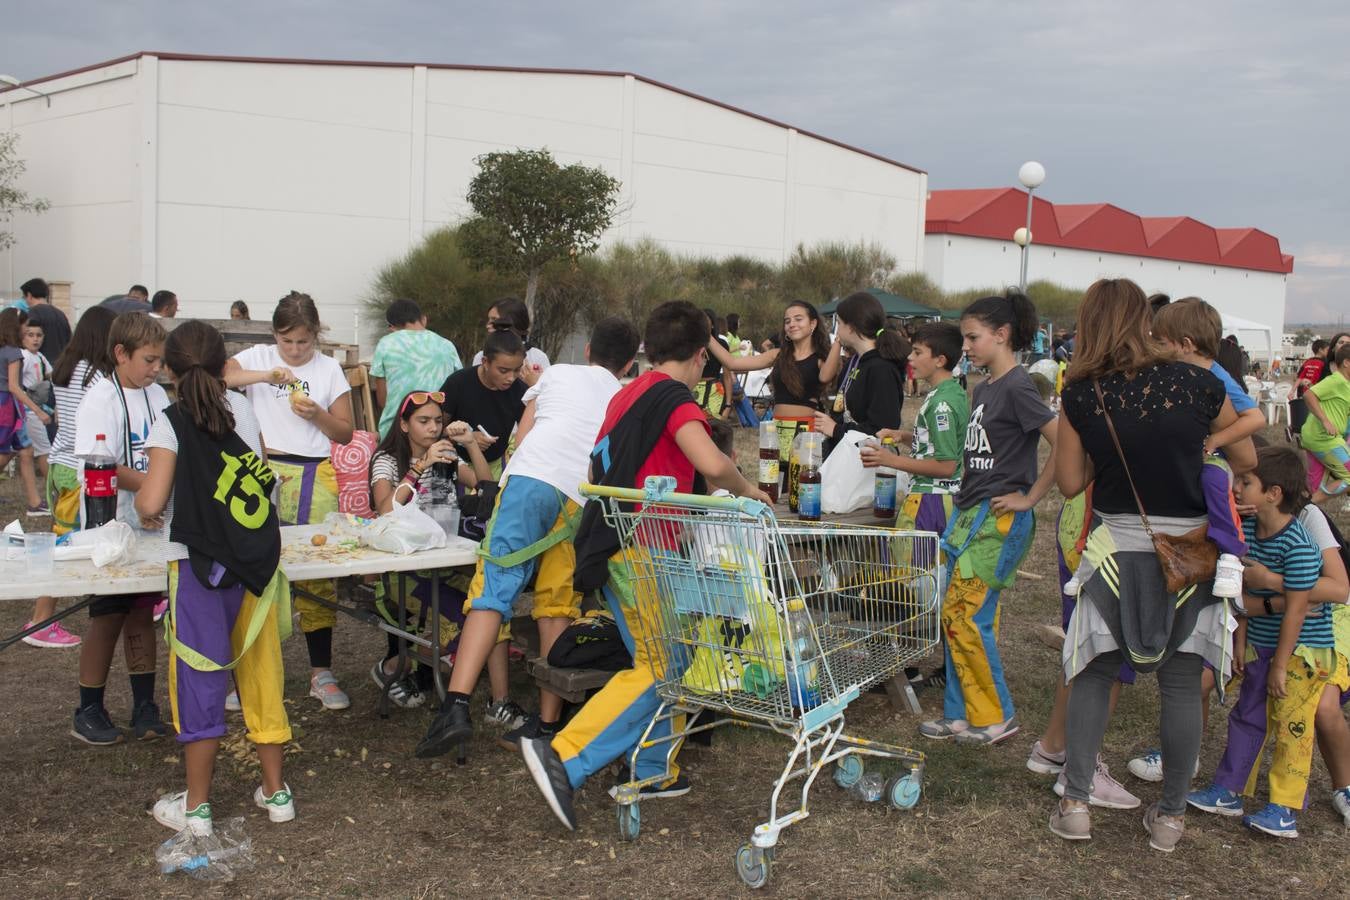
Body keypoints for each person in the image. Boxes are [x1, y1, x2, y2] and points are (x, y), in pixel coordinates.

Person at [518, 300, 770, 830]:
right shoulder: (674, 398)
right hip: (644, 550)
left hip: (616, 546)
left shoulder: (625, 392)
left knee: (666, 659)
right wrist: (749, 491)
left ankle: (655, 767)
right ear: (701, 355)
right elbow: (711, 461)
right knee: (663, 667)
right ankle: (563, 756)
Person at [1051, 277, 1254, 852]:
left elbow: (1070, 482)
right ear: (1144, 320)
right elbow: (1245, 455)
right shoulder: (1197, 383)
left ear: (1089, 325)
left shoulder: (1082, 394)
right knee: (1183, 686)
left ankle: (1076, 805)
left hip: (1116, 550)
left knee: (1092, 672)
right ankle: (1169, 820)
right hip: (1191, 556)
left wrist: (1109, 451)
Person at [417, 317, 641, 760]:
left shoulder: (557, 373)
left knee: (494, 589)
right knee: (557, 600)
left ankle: (456, 705)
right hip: (580, 499)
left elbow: (524, 437)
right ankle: (547, 723)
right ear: (630, 363)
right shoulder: (623, 395)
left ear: (587, 349)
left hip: (532, 480)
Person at [136, 320, 295, 835]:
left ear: (170, 370)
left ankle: (198, 806)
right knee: (262, 671)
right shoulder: (244, 412)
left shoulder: (170, 423)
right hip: (254, 563)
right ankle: (276, 793)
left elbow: (153, 501)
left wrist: (143, 504)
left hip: (199, 566)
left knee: (200, 677)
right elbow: (264, 482)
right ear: (224, 366)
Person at [917, 290, 1057, 747]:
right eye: (964, 338)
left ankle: (996, 715)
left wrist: (1030, 497)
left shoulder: (1018, 386)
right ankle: (960, 714)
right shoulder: (985, 387)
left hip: (997, 523)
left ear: (1002, 335)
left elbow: (1063, 442)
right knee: (956, 616)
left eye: (973, 338)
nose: (967, 347)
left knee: (968, 615)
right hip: (970, 517)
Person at [1186, 447, 1347, 839]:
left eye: (1245, 482)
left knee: (1293, 727)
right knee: (1247, 717)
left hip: (1301, 656)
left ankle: (1285, 808)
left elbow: (1295, 610)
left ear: (1273, 493)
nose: (1236, 489)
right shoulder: (1251, 536)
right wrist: (1241, 645)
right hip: (1262, 648)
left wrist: (1280, 664)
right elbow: (1240, 592)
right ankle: (1229, 790)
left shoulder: (1300, 545)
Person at [226, 292, 355, 710]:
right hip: (263, 470)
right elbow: (220, 378)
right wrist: (265, 377)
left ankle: (321, 672)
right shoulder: (258, 357)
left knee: (315, 572)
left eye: (303, 342)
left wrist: (317, 413)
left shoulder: (329, 368)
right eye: (287, 341)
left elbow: (345, 433)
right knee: (255, 569)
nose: (295, 350)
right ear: (275, 335)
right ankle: (249, 671)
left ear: (315, 336)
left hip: (315, 472)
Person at [1111, 298, 1265, 598]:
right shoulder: (1179, 376)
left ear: (1185, 344)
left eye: (1160, 341)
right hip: (1192, 461)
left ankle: (1230, 555)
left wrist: (1217, 440)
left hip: (1215, 459)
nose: (1154, 346)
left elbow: (1256, 418)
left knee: (1213, 481)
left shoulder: (1217, 378)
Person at [70, 312, 172, 745]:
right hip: (110, 523)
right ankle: (88, 706)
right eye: (148, 360)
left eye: (160, 361)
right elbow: (102, 464)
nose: (156, 369)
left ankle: (144, 704)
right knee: (107, 616)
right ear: (120, 354)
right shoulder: (100, 399)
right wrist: (152, 488)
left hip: (151, 521)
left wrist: (157, 497)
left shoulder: (157, 396)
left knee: (142, 614)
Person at [368, 392, 491, 709]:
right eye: (423, 421)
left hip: (446, 564)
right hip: (402, 572)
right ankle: (397, 666)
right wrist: (420, 466)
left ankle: (415, 662)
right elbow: (385, 510)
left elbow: (485, 485)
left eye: (438, 421)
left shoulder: (448, 454)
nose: (433, 428)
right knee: (459, 618)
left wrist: (471, 445)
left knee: (481, 609)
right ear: (405, 425)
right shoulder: (388, 460)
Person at [707, 300, 843, 469]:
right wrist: (707, 336)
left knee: (802, 488)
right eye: (787, 321)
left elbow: (826, 376)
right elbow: (733, 363)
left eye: (798, 319)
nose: (792, 324)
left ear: (813, 324)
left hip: (806, 432)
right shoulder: (777, 355)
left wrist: (838, 341)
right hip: (776, 430)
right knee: (772, 486)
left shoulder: (821, 358)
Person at [862, 321, 966, 534]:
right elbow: (939, 443)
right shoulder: (951, 392)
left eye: (917, 352)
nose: (910, 357)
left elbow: (945, 466)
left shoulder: (941, 405)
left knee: (919, 566)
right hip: (939, 500)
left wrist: (890, 460)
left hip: (931, 502)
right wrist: (903, 436)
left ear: (940, 360)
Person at [811, 291, 907, 452]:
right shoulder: (855, 363)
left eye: (839, 323)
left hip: (866, 466)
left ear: (852, 328)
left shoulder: (882, 369)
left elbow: (883, 430)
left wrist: (835, 429)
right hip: (844, 456)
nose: (837, 330)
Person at [439, 329, 527, 478]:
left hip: (497, 466)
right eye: (503, 370)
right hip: (454, 463)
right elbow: (435, 430)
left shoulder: (521, 391)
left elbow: (529, 436)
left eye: (517, 370)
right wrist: (466, 439)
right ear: (485, 362)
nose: (511, 378)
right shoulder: (458, 383)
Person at [370, 298, 462, 439]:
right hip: (437, 430)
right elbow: (457, 388)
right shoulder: (447, 345)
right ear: (423, 319)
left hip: (396, 431)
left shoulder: (386, 344)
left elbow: (382, 400)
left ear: (392, 327)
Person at [0, 309, 46, 517]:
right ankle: (35, 503)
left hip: (5, 405)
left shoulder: (4, 350)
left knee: (24, 450)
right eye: (25, 327)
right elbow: (14, 387)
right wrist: (38, 410)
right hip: (8, 406)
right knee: (10, 450)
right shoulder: (13, 353)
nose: (26, 330)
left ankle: (35, 502)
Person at [1300, 344, 1350, 503]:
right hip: (1324, 439)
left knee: (1313, 486)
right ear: (1346, 363)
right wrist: (1325, 421)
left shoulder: (1345, 384)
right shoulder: (1337, 380)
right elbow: (1309, 395)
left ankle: (1304, 509)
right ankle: (1307, 506)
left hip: (1316, 438)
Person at [472, 297, 550, 387]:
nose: (488, 325)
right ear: (485, 362)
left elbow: (547, 392)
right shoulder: (482, 356)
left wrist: (534, 384)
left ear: (513, 321)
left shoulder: (538, 356)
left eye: (494, 320)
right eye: (503, 370)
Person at [19, 318, 54, 478]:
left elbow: (52, 376)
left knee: (14, 451)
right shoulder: (23, 357)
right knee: (44, 449)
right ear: (22, 337)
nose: (35, 339)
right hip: (29, 410)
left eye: (39, 335)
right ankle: (52, 490)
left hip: (35, 408)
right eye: (30, 335)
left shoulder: (40, 357)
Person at [692, 308, 734, 420]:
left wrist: (728, 405)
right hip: (693, 390)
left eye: (705, 320)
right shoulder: (692, 344)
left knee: (713, 429)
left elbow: (727, 376)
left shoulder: (721, 344)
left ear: (713, 325)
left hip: (714, 391)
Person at [21, 278, 71, 363]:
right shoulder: (61, 314)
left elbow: (26, 340)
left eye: (24, 297)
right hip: (61, 366)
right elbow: (69, 341)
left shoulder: (33, 313)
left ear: (29, 295)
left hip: (41, 366)